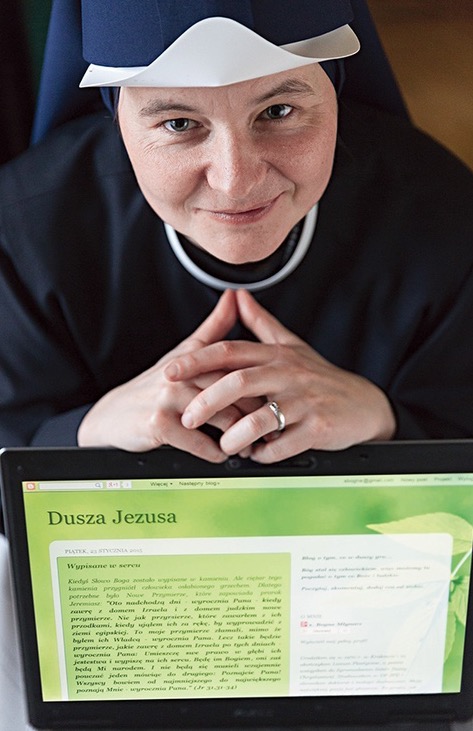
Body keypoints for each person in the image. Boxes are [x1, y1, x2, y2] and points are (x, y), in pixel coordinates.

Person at [1, 0, 473, 466]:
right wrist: (84, 431)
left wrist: (386, 420)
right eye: (179, 123)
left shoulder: (445, 213)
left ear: (334, 91)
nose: (235, 182)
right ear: (118, 118)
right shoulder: (23, 231)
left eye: (278, 111)